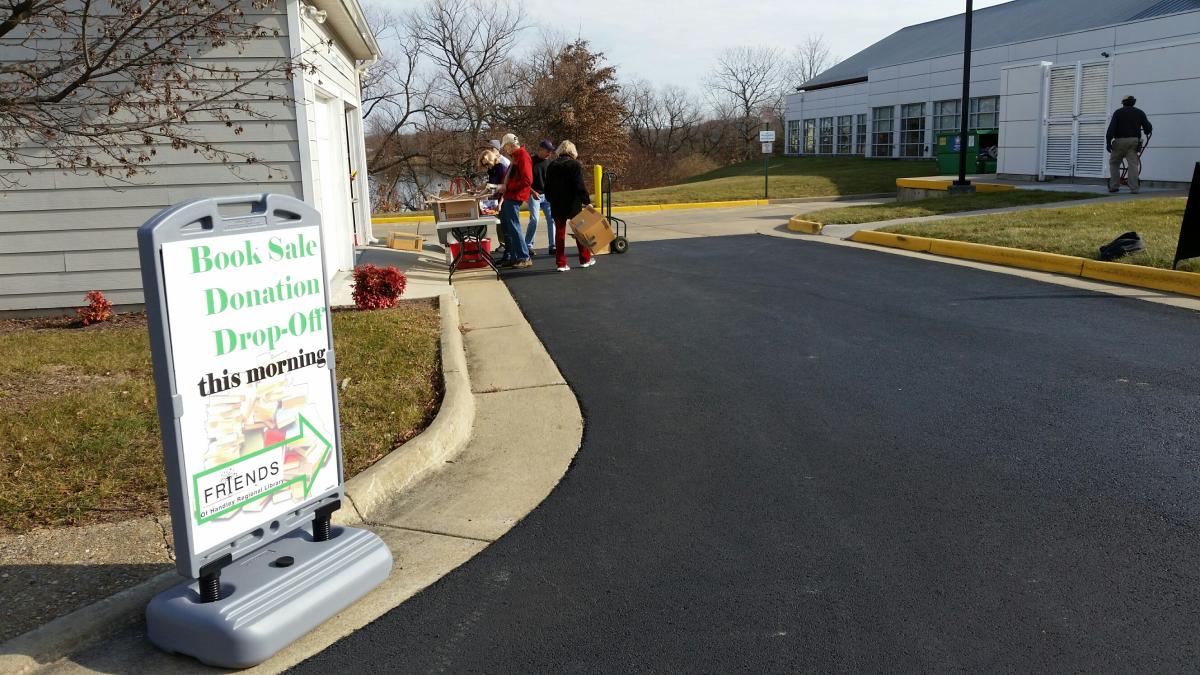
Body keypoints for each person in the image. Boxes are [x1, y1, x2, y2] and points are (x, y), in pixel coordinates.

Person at [543, 140, 595, 272]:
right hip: (573, 203)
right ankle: (585, 259)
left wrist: (550, 199)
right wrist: (587, 201)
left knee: (560, 233)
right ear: (573, 151)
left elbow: (547, 186)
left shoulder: (552, 165)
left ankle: (561, 263)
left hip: (557, 203)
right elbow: (579, 185)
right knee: (579, 231)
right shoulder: (574, 165)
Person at [497, 133, 533, 268]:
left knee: (513, 226)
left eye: (505, 147)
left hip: (514, 196)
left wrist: (507, 187)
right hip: (510, 195)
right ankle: (514, 256)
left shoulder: (522, 156)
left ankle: (524, 257)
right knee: (509, 227)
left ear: (510, 145)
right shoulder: (517, 156)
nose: (505, 150)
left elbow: (527, 180)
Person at [1106, 95, 1152, 194]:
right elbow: (1148, 128)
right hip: (1133, 142)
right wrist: (1148, 128)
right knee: (1133, 164)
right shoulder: (1140, 112)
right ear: (1133, 102)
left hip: (1119, 142)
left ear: (1123, 103)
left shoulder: (1118, 112)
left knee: (1114, 163)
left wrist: (1108, 142)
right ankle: (1134, 188)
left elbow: (1111, 128)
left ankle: (1114, 186)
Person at [526, 140, 556, 256]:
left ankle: (552, 246)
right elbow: (525, 180)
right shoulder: (530, 161)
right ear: (541, 149)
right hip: (534, 194)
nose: (550, 153)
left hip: (547, 196)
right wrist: (532, 191)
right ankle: (528, 245)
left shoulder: (550, 162)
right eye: (548, 151)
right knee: (534, 219)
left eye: (551, 151)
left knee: (552, 219)